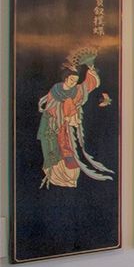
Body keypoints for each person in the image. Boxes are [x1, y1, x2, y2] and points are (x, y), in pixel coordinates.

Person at [37, 52, 111, 188]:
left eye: (75, 81)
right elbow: (51, 108)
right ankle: (55, 177)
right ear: (65, 78)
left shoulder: (75, 90)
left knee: (69, 150)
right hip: (52, 125)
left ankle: (70, 179)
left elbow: (87, 86)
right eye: (71, 80)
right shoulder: (56, 90)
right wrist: (65, 113)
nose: (73, 83)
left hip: (66, 127)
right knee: (54, 150)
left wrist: (91, 69)